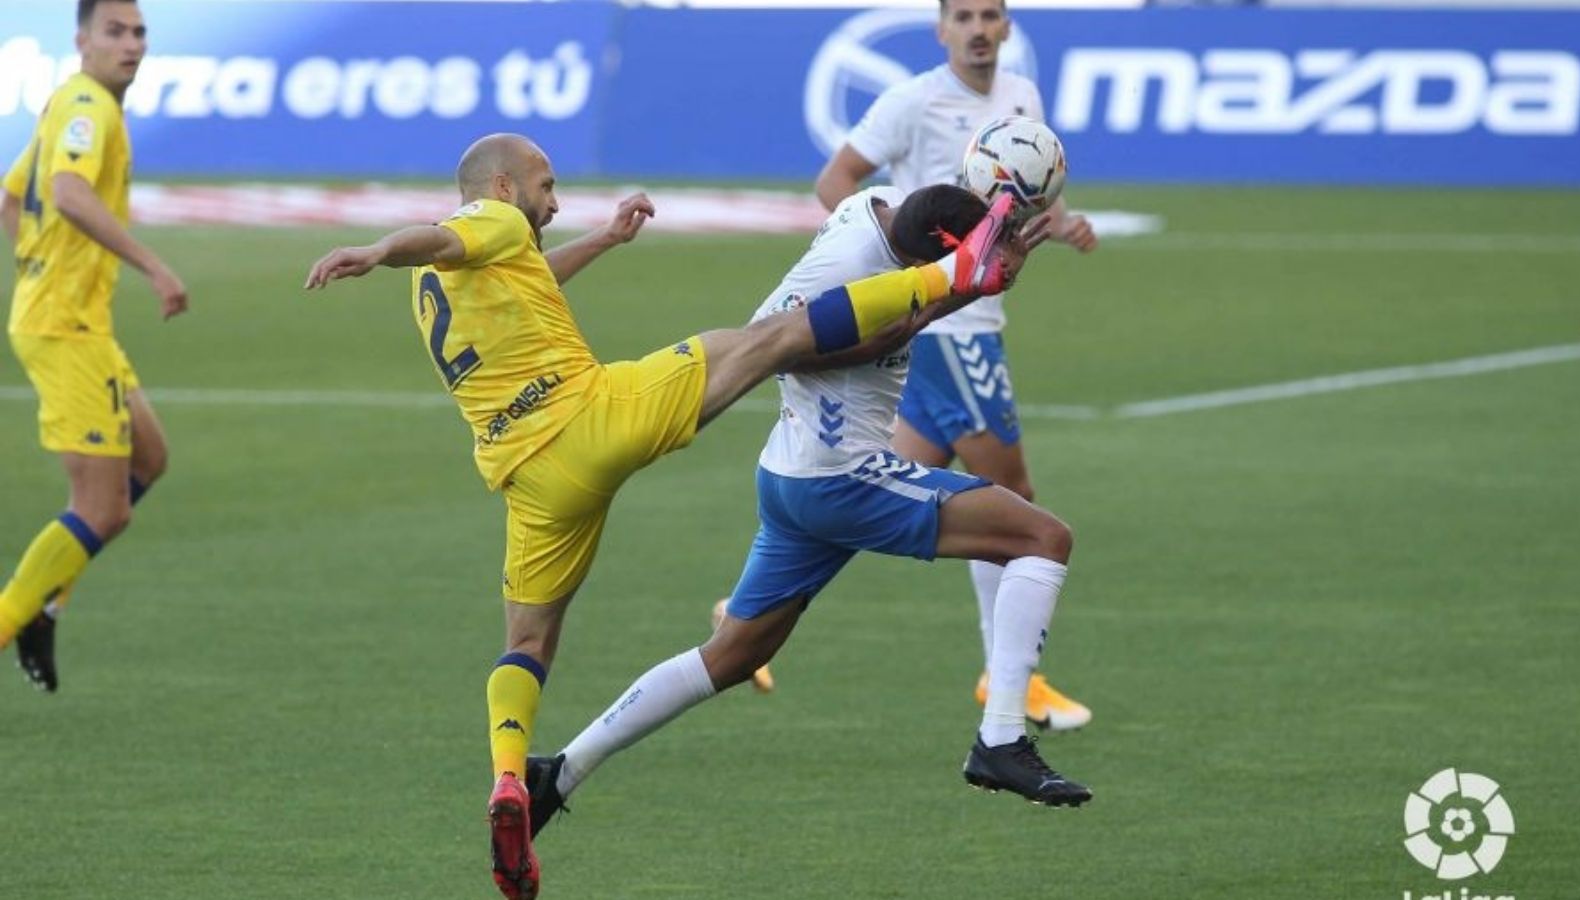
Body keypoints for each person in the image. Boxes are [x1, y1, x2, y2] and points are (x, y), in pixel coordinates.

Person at [303, 136, 1023, 900]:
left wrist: (606, 239)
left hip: (529, 482)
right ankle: (949, 274)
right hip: (595, 419)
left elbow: (521, 277)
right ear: (504, 187)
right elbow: (439, 238)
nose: (554, 203)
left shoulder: (446, 280)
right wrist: (376, 249)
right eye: (546, 187)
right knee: (771, 338)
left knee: (527, 641)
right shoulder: (488, 221)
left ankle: (511, 779)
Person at [519, 184, 1091, 852]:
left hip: (792, 475)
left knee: (730, 657)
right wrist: (955, 291)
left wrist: (975, 273)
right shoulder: (851, 265)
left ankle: (559, 773)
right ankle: (1000, 739)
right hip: (842, 478)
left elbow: (916, 292)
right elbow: (772, 341)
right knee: (1042, 538)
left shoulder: (879, 209)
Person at [814, 0, 1097, 731]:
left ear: (1007, 27)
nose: (977, 29)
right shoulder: (911, 101)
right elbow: (835, 180)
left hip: (973, 318)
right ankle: (1011, 680)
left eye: (989, 15)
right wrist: (895, 262)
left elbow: (1029, 193)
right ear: (941, 29)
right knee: (1013, 497)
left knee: (865, 491)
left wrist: (1063, 224)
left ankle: (744, 610)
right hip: (951, 325)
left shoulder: (1022, 97)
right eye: (963, 16)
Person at [0, 0, 189, 693]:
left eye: (139, 32)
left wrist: (38, 269)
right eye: (115, 31)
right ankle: (22, 612)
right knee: (102, 508)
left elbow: (11, 198)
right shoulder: (88, 108)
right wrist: (154, 267)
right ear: (82, 40)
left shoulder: (69, 101)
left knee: (150, 456)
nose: (131, 43)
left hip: (73, 320)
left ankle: (45, 604)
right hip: (64, 328)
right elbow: (69, 194)